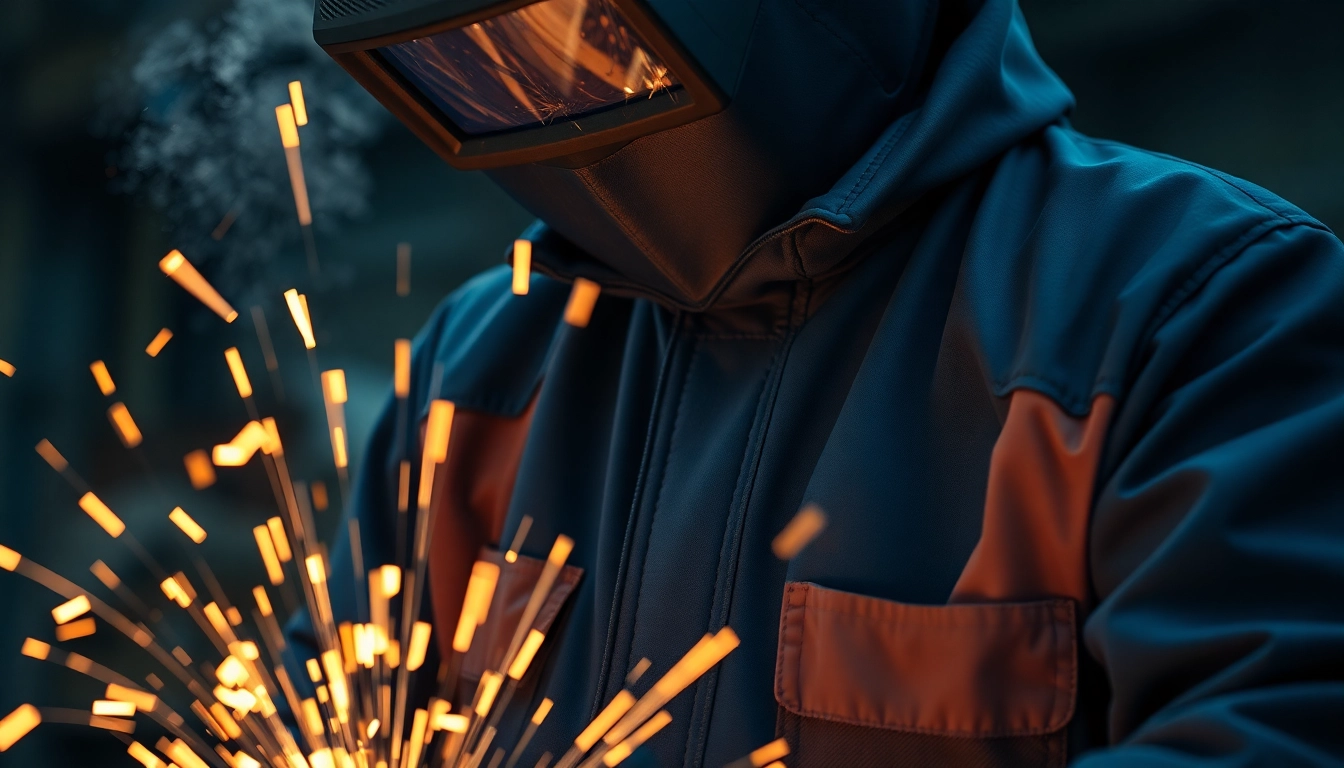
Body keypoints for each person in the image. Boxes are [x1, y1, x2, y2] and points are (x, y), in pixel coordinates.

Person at [290, 0, 1344, 765]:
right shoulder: (477, 370)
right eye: (488, 64)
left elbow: (1271, 735)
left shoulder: (1189, 304)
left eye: (578, 36)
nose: (544, 84)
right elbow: (315, 722)